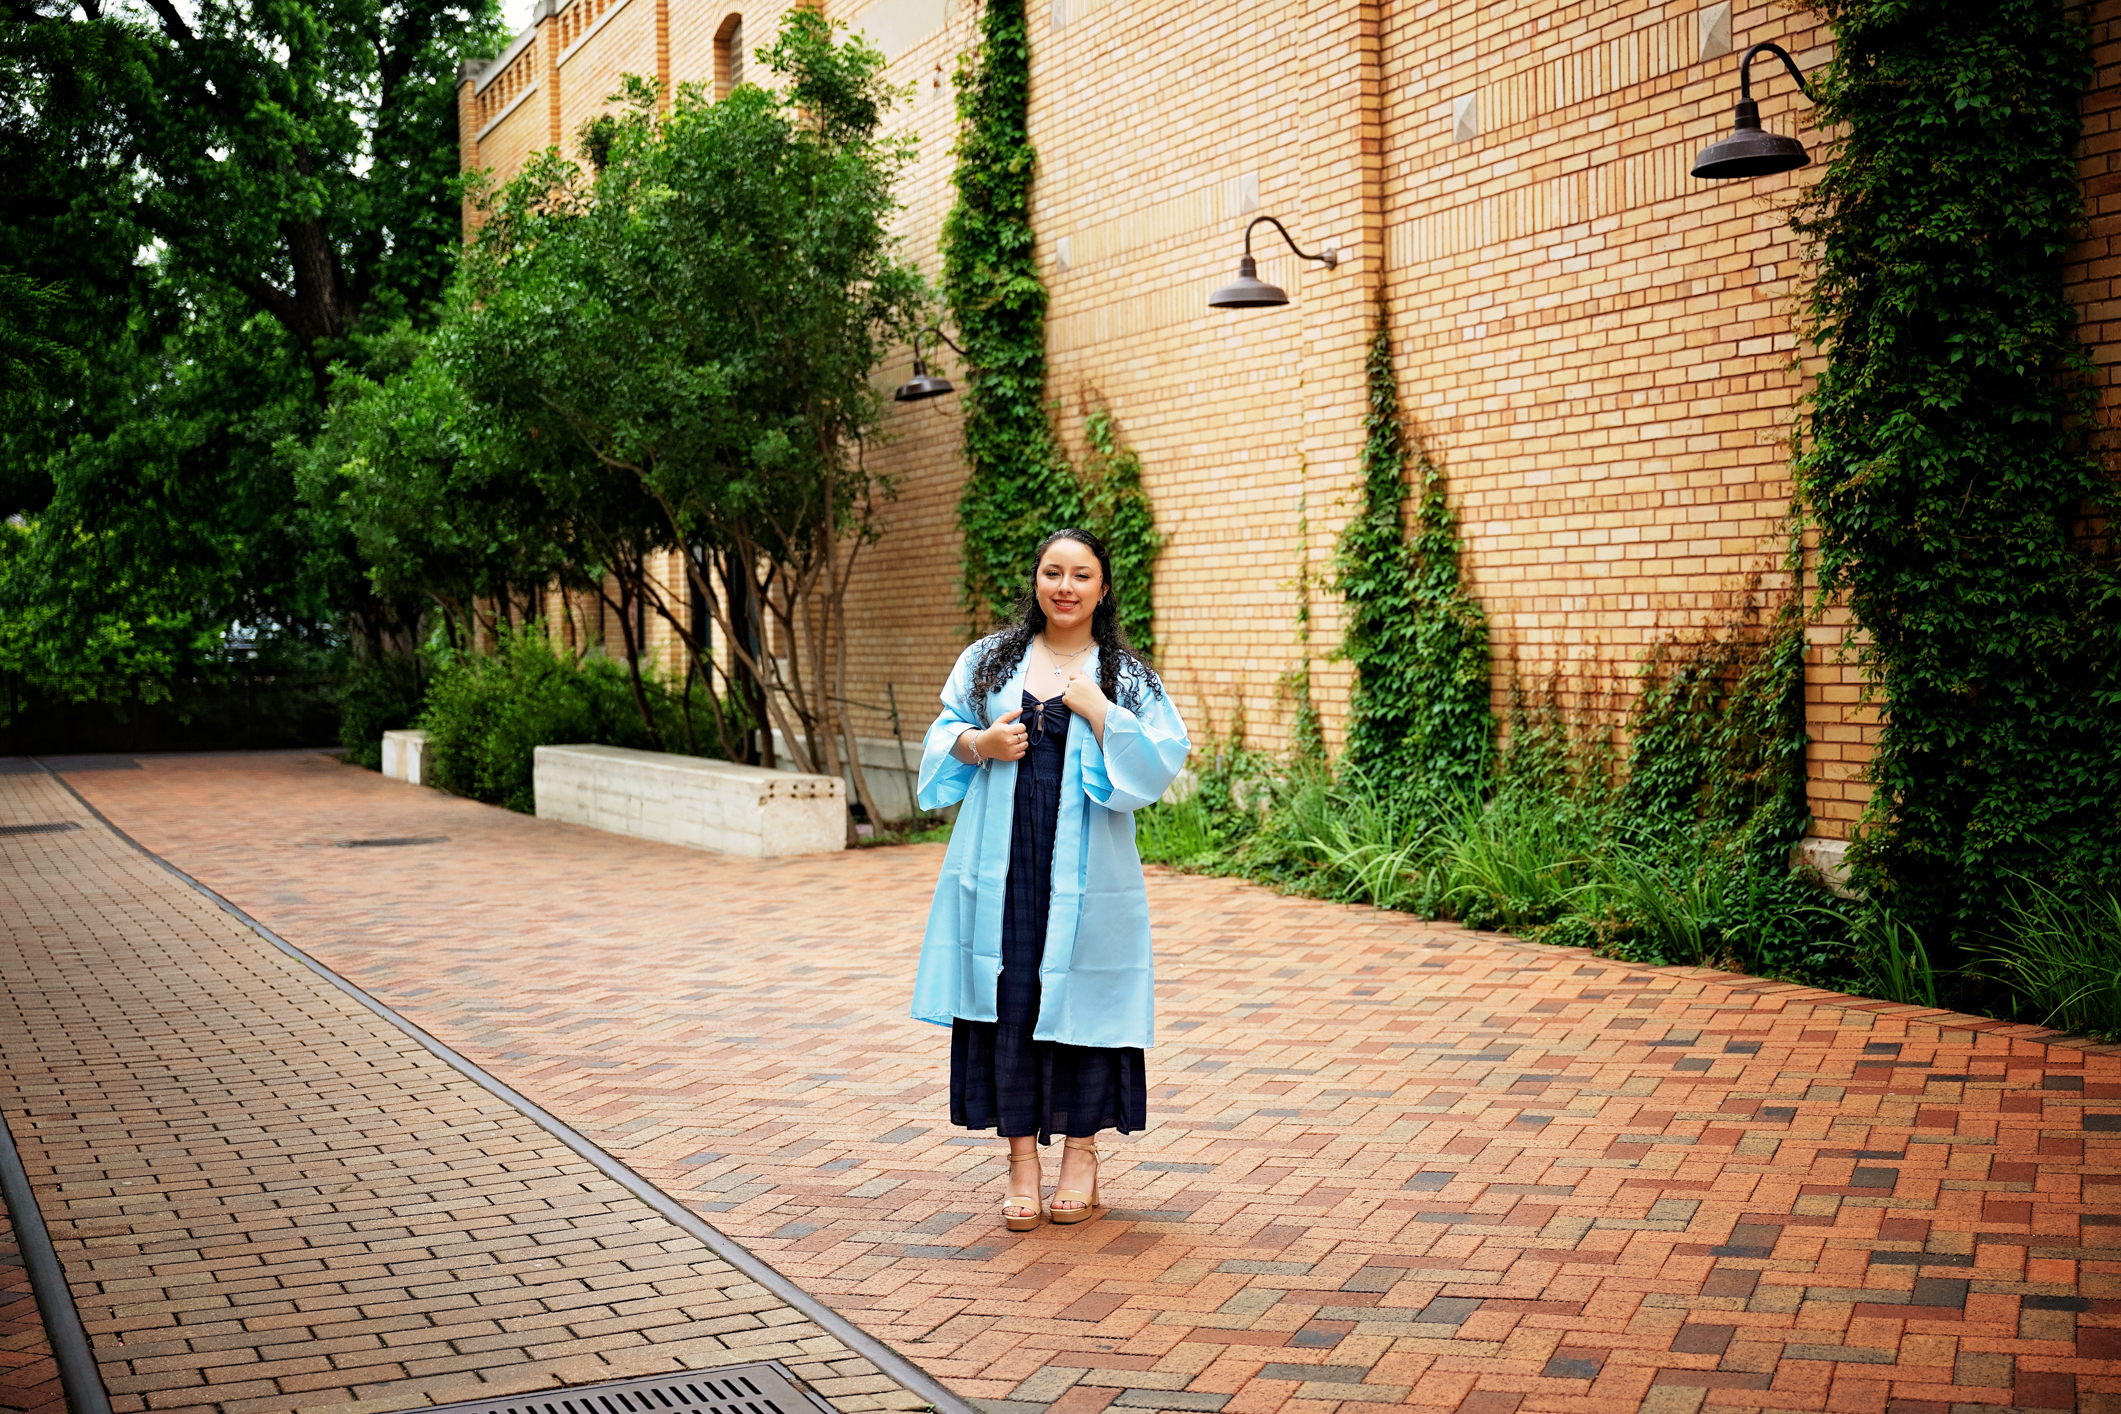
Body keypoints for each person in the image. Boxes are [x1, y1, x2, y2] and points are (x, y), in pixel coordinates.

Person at [911, 528, 1191, 1230]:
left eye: (1081, 575)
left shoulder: (1126, 676)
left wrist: (1103, 715)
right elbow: (944, 734)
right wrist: (980, 743)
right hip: (1001, 871)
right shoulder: (988, 660)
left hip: (1088, 874)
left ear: (1102, 587)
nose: (1064, 587)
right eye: (1052, 572)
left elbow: (1161, 761)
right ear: (1035, 580)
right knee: (1008, 1001)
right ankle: (1019, 1166)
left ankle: (1080, 1157)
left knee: (1085, 1009)